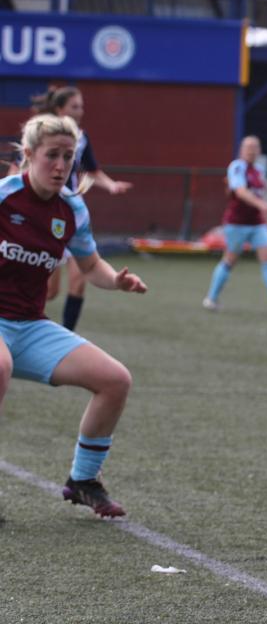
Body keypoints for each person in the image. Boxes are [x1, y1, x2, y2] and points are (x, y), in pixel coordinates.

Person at [0, 114, 147, 517]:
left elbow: (91, 265)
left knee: (115, 380)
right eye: (52, 156)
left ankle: (83, 481)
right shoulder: (4, 197)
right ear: (29, 155)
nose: (62, 166)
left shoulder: (72, 209)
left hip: (29, 325)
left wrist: (116, 281)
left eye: (69, 156)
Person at [33, 87, 133, 331]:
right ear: (60, 110)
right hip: (44, 213)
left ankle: (66, 338)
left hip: (70, 212)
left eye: (81, 106)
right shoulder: (42, 133)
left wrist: (111, 186)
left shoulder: (82, 137)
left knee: (79, 282)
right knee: (51, 291)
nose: (81, 111)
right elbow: (24, 166)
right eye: (75, 106)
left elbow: (92, 170)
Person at [202, 135, 267, 314]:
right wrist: (263, 206)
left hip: (257, 224)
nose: (251, 150)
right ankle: (211, 298)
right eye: (248, 147)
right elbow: (240, 192)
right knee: (229, 260)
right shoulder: (237, 167)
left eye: (255, 147)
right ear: (241, 150)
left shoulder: (260, 171)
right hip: (236, 223)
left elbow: (258, 196)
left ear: (259, 150)